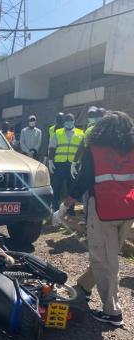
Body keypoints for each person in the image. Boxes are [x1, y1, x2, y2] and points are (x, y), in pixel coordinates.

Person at [53, 111, 134, 326]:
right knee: (108, 255)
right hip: (127, 211)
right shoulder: (131, 150)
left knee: (104, 259)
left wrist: (63, 208)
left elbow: (82, 184)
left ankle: (112, 312)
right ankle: (84, 287)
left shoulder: (94, 151)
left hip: (103, 211)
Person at [48, 113, 84, 213]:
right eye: (67, 120)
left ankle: (70, 209)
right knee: (56, 187)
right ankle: (55, 207)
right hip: (59, 164)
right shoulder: (58, 132)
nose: (69, 122)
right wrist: (50, 161)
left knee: (72, 188)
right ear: (64, 122)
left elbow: (83, 150)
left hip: (73, 165)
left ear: (74, 121)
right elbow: (52, 148)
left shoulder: (81, 133)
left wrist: (80, 164)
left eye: (71, 120)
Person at [70, 107, 105, 178]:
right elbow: (82, 146)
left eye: (93, 115)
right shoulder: (89, 130)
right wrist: (74, 162)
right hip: (93, 161)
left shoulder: (90, 129)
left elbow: (81, 146)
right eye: (90, 116)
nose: (92, 117)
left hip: (100, 161)